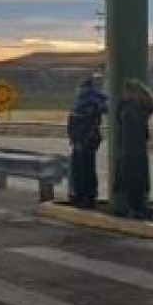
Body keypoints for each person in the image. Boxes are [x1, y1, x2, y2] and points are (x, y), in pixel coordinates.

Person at [113, 78, 153, 219]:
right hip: (136, 146)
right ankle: (137, 207)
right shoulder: (139, 107)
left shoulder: (134, 109)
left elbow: (122, 123)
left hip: (132, 147)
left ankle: (135, 208)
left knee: (132, 178)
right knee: (136, 178)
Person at [65, 75, 108, 209]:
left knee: (84, 169)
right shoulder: (94, 99)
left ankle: (85, 197)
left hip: (85, 139)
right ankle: (84, 196)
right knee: (83, 169)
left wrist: (78, 140)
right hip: (84, 139)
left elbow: (82, 123)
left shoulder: (88, 101)